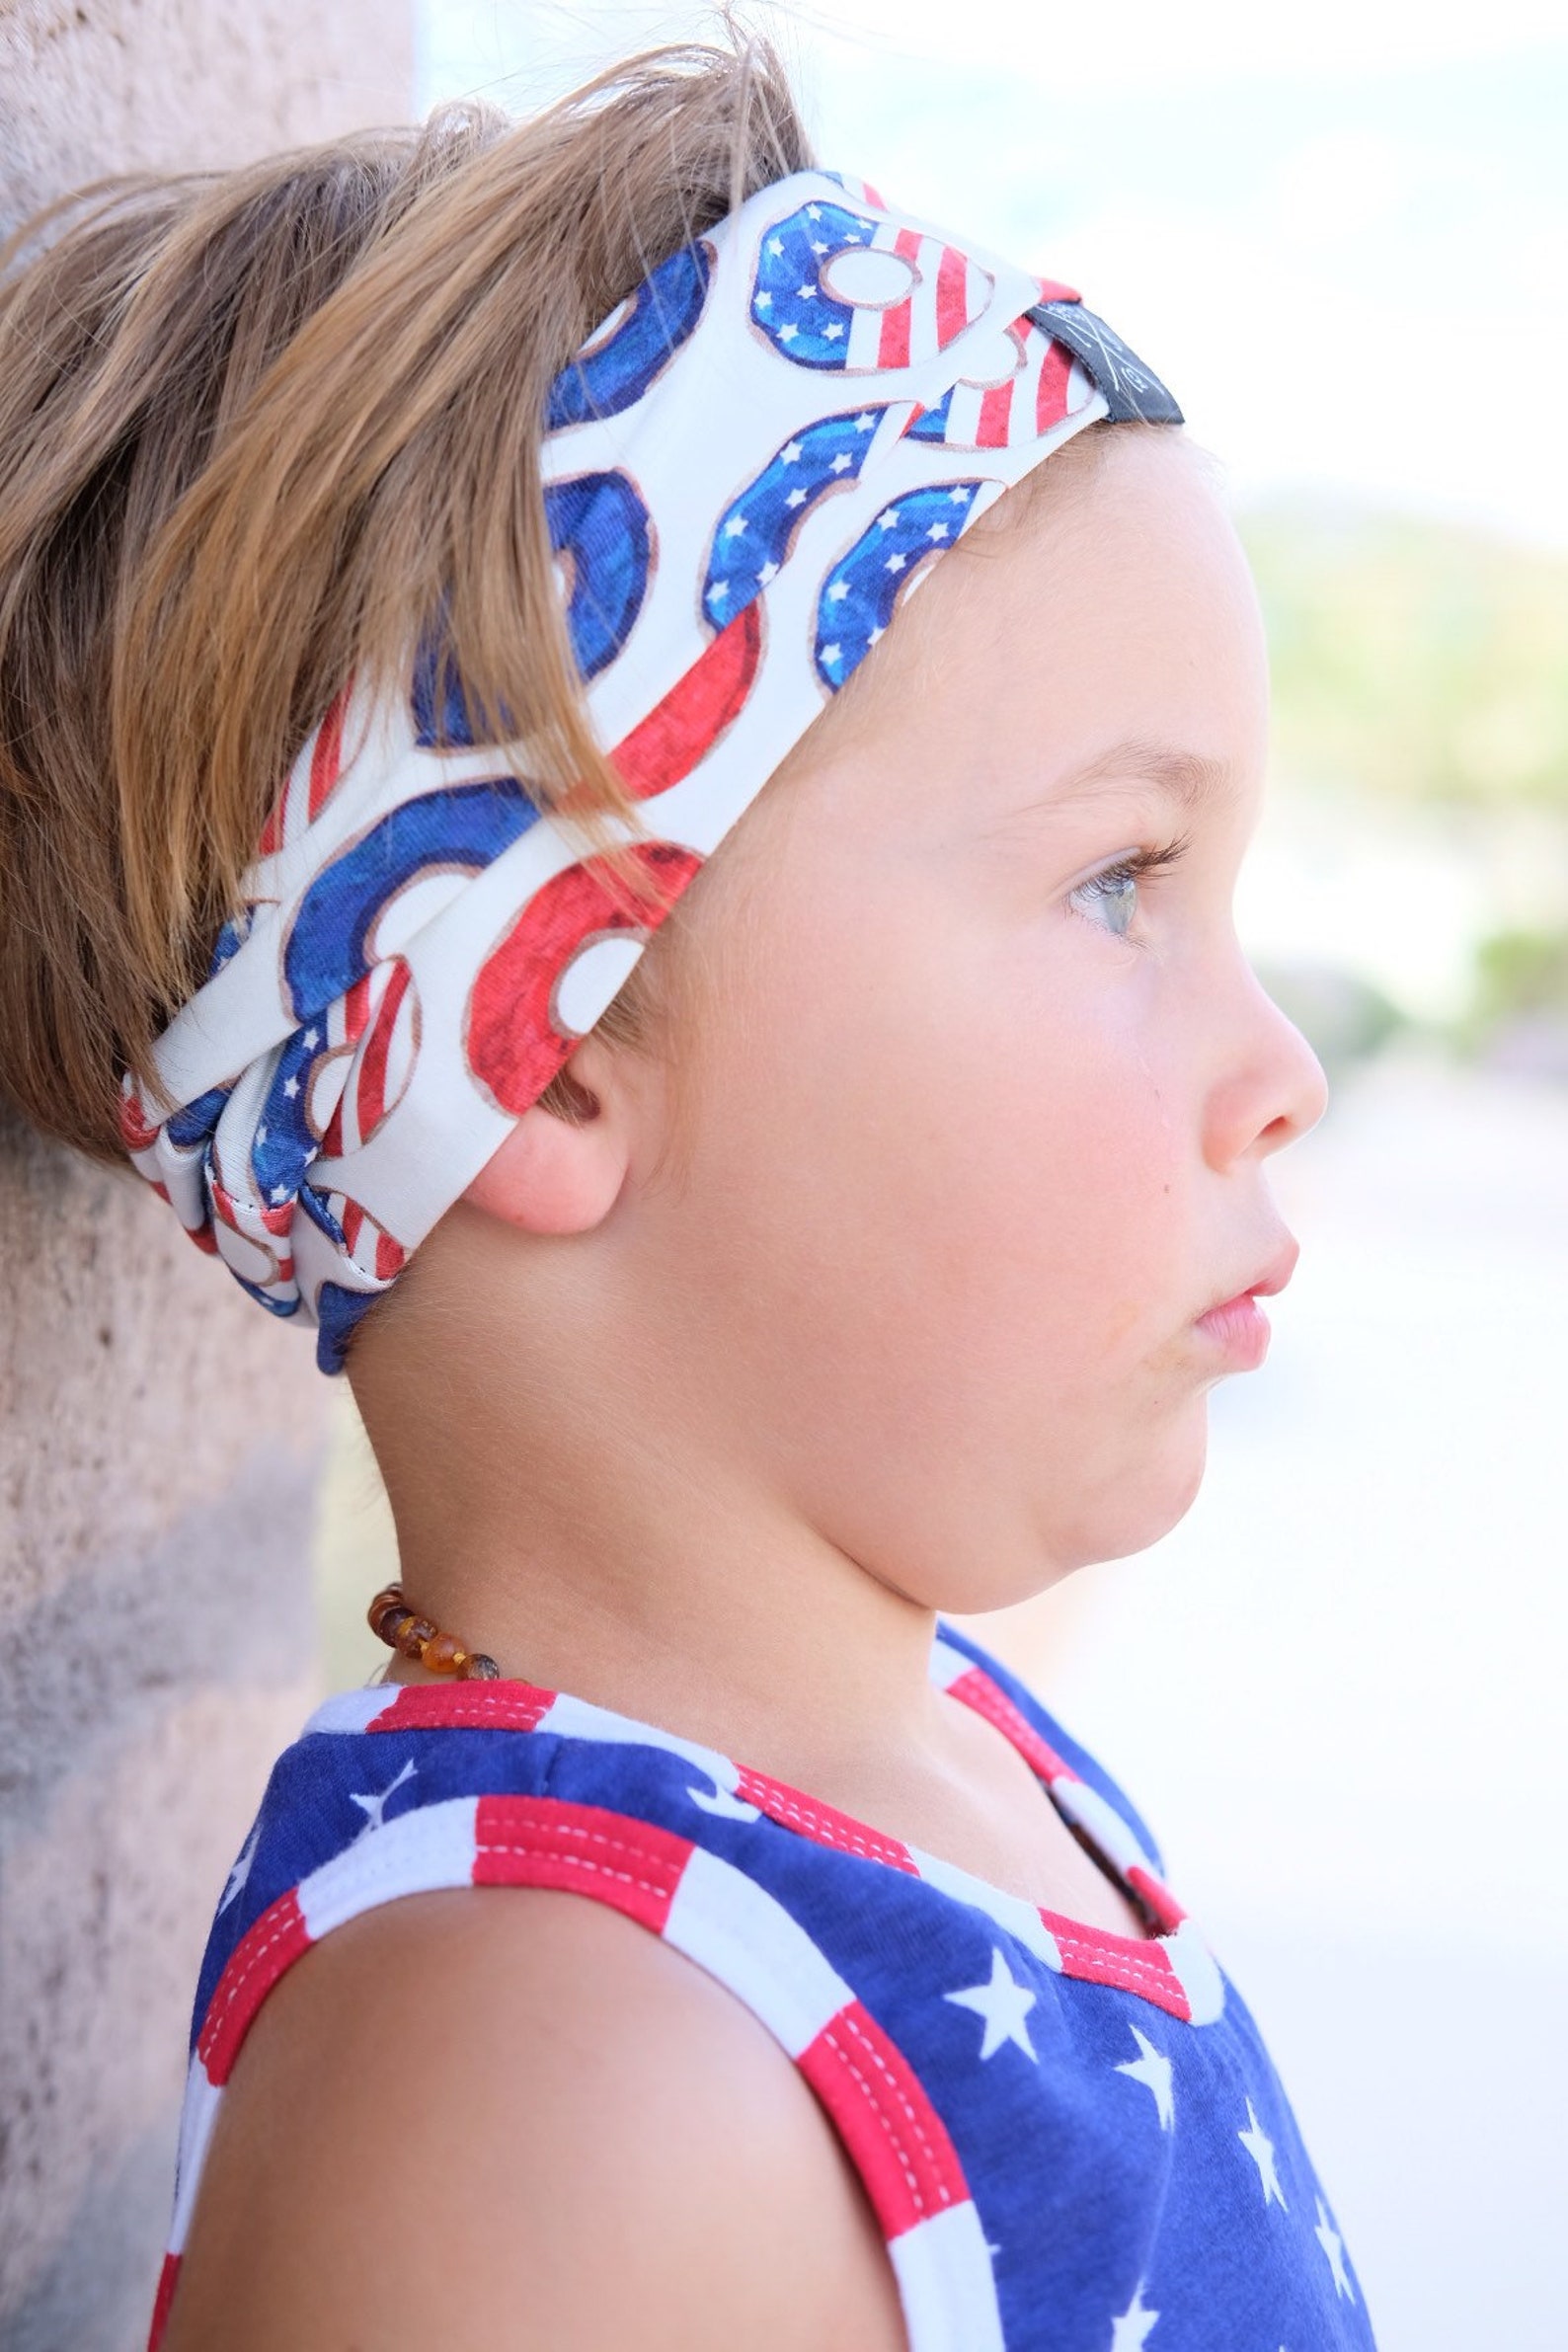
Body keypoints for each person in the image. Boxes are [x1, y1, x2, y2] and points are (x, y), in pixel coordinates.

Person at [0, 29, 1371, 2352]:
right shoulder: (557, 2099)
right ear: (550, 1039)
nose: (1281, 1074)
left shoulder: (932, 1754)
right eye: (1123, 880)